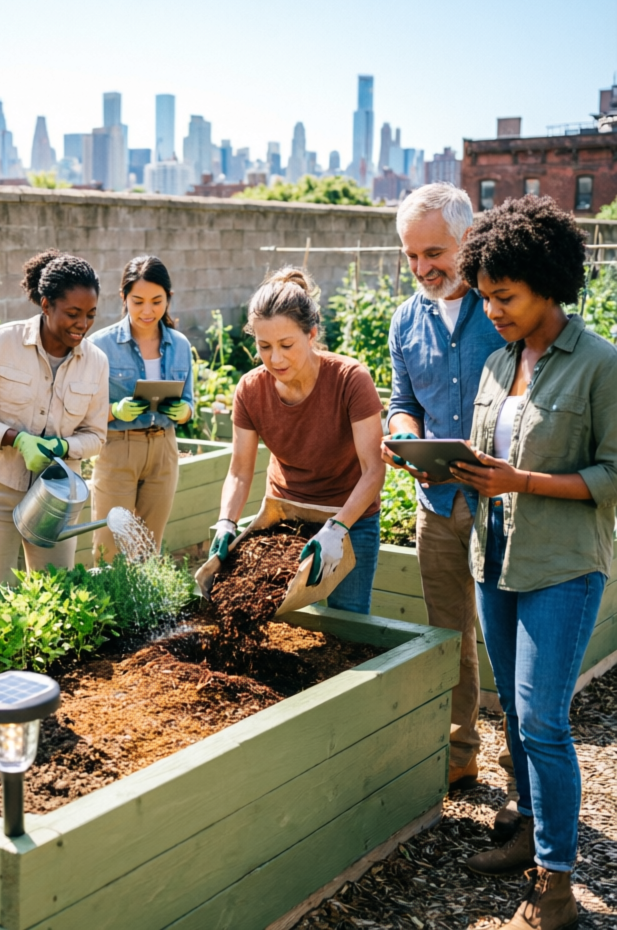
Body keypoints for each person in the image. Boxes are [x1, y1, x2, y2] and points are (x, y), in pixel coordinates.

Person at [448, 196, 616, 930]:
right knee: (514, 717)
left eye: (505, 296)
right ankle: (526, 832)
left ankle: (556, 885)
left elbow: (613, 475)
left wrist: (522, 481)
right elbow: (493, 459)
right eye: (484, 297)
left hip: (562, 566)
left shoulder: (601, 364)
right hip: (496, 559)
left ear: (548, 284)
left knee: (543, 720)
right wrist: (450, 467)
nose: (492, 311)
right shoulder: (496, 364)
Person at [380, 183, 509, 799]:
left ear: (467, 239)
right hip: (437, 503)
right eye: (411, 255)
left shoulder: (505, 308)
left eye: (434, 253)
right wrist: (404, 436)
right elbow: (403, 401)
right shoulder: (406, 320)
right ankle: (460, 754)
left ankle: (525, 768)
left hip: (504, 504)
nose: (421, 268)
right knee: (449, 635)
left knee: (511, 638)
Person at [210, 269, 385, 612]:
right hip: (284, 520)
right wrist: (227, 522)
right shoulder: (250, 389)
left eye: (286, 345)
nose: (275, 359)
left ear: (311, 334)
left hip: (349, 521)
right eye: (264, 346)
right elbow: (239, 472)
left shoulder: (350, 379)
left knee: (346, 627)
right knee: (274, 623)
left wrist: (336, 529)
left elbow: (374, 470)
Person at [0, 250, 109, 584]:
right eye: (73, 313)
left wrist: (62, 446)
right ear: (46, 305)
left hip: (59, 495)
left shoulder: (96, 362)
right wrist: (15, 438)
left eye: (90, 314)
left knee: (55, 592)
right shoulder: (1, 343)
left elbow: (96, 436)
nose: (83, 324)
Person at [88, 256, 194, 560]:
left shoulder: (180, 345)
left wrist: (184, 412)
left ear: (168, 298)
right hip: (118, 449)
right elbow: (84, 411)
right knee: (109, 547)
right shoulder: (100, 345)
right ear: (123, 298)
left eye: (157, 301)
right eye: (138, 302)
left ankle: (146, 594)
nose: (147, 311)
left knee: (148, 548)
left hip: (164, 450)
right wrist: (114, 410)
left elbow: (189, 403)